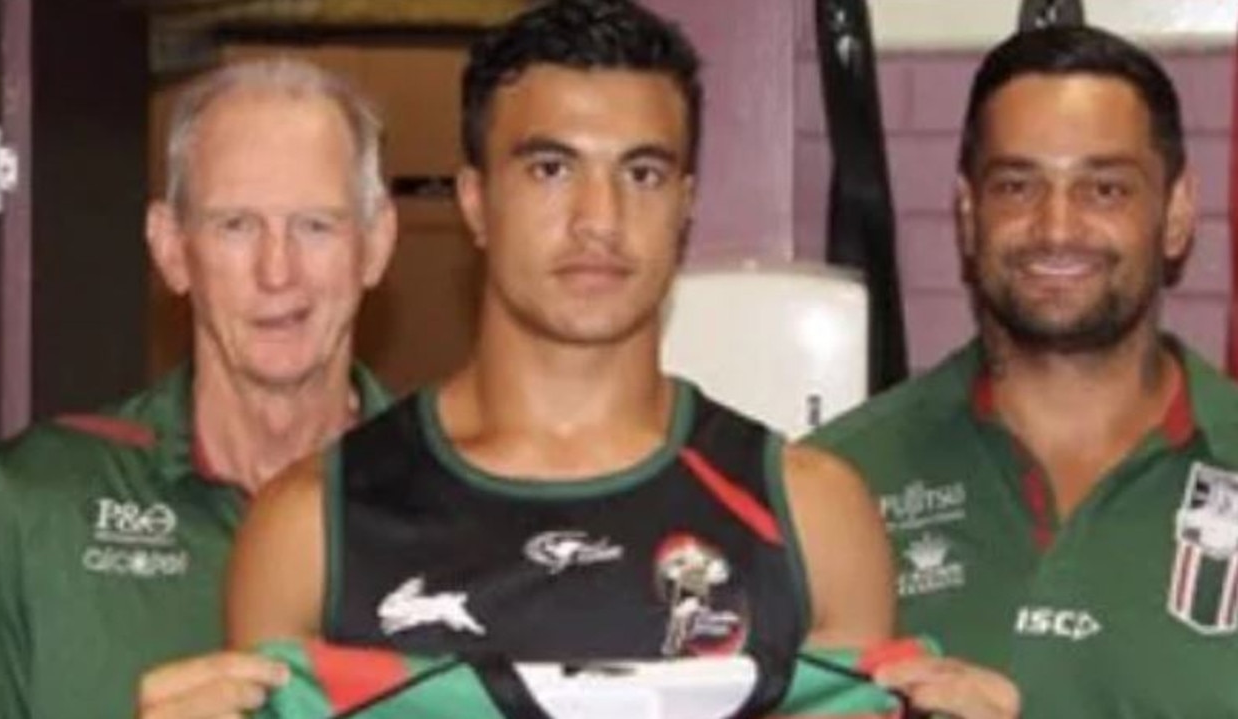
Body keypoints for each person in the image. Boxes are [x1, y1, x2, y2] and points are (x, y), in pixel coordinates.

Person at [227, 2, 1017, 717]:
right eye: (550, 168)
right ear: (473, 199)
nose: (597, 220)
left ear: (685, 203)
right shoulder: (311, 525)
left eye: (641, 173)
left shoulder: (811, 516)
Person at [809, 24, 1238, 717]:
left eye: (1104, 189)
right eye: (1016, 185)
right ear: (967, 211)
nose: (1056, 227)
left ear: (1177, 213)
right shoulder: (834, 483)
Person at [0, 58, 397, 719]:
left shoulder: (475, 508)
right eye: (235, 225)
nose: (277, 270)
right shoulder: (34, 506)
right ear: (170, 248)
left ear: (376, 244)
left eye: (315, 224)